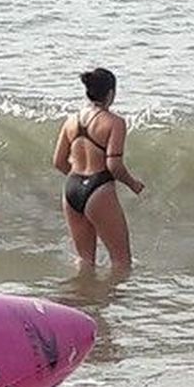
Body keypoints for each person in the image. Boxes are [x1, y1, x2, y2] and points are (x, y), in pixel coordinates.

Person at [51, 67, 145, 272]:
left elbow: (58, 161)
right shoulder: (115, 122)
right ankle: (111, 294)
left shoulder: (71, 121)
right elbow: (114, 165)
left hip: (72, 187)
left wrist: (80, 181)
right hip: (98, 187)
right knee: (121, 261)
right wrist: (133, 184)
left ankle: (83, 291)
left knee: (84, 260)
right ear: (110, 93)